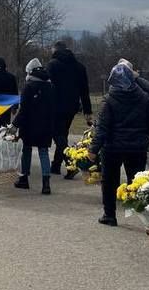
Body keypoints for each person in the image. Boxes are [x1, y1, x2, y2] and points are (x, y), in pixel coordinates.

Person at [89, 63, 149, 225]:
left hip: (112, 147)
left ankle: (109, 215)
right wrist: (147, 137)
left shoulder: (109, 100)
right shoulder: (144, 97)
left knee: (109, 181)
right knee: (137, 182)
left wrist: (93, 149)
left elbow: (102, 127)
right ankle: (145, 217)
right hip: (137, 147)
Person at [11, 58, 56, 194]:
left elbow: (23, 110)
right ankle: (46, 184)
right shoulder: (50, 86)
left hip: (29, 125)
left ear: (30, 72)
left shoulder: (29, 87)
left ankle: (24, 178)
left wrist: (14, 125)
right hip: (46, 124)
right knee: (43, 152)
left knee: (27, 150)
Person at [47, 42, 93, 150]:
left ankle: (67, 157)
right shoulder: (79, 67)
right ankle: (58, 164)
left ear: (55, 50)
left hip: (56, 105)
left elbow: (48, 87)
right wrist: (87, 110)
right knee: (63, 133)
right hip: (72, 106)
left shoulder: (52, 65)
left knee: (57, 134)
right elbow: (84, 90)